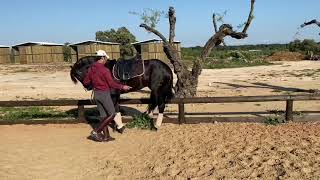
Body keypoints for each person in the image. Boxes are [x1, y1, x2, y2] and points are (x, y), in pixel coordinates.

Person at [83, 50, 132, 142]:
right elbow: (112, 84)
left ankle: (106, 136)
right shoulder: (104, 70)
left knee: (103, 116)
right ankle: (96, 131)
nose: (106, 60)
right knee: (112, 114)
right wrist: (123, 86)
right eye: (105, 58)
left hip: (96, 94)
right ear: (102, 58)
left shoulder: (90, 69)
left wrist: (94, 83)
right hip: (104, 94)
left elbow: (85, 82)